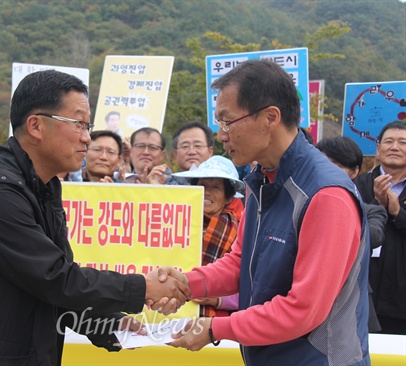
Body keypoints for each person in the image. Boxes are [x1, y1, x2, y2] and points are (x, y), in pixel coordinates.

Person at [0, 69, 189, 366]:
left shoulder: (43, 188)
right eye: (79, 124)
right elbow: (53, 278)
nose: (87, 137)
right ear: (36, 126)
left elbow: (46, 287)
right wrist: (142, 287)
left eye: (87, 126)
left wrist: (108, 324)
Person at [153, 59, 370, 365]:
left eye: (227, 121)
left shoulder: (325, 195)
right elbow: (242, 264)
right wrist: (186, 284)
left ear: (270, 117)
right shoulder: (262, 181)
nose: (221, 135)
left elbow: (303, 309)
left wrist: (216, 328)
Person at [316, 135, 387, 332]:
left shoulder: (371, 211)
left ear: (355, 171)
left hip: (354, 304)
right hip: (311, 302)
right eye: (322, 163)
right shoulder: (299, 208)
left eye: (337, 166)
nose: (327, 171)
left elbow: (374, 236)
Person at [173, 155, 244, 317]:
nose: (207, 192)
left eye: (216, 187)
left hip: (215, 325)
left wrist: (217, 299)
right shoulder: (177, 224)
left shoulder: (240, 233)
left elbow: (249, 286)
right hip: (171, 312)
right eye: (202, 185)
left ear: (228, 197)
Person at [354, 120, 406, 335]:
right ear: (378, 148)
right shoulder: (357, 185)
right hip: (363, 292)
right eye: (389, 141)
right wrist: (377, 205)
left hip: (401, 296)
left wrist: (397, 212)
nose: (395, 147)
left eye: (403, 142)